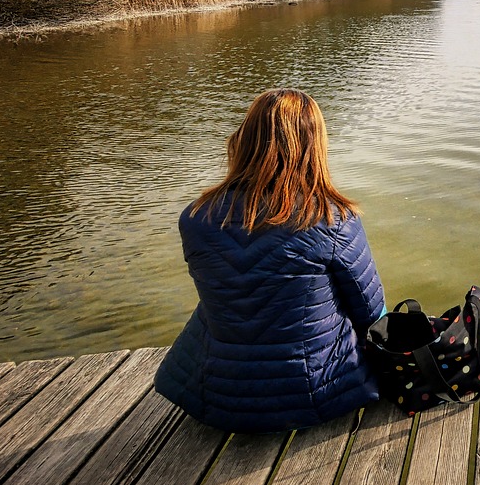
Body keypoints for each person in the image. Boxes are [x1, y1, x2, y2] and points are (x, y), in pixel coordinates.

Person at [154, 88, 385, 433]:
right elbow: (371, 313)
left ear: (244, 140)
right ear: (314, 147)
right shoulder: (333, 219)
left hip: (218, 398)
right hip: (317, 394)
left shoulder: (196, 217)